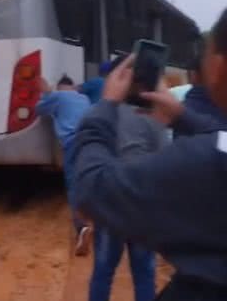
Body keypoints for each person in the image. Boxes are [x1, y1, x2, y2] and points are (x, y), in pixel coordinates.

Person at [71, 7, 227, 300]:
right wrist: (182, 116)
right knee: (143, 270)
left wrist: (103, 108)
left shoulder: (204, 160)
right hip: (141, 189)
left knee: (104, 268)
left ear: (218, 66)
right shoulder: (169, 126)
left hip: (128, 193)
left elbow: (90, 188)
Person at [87, 57, 166, 301]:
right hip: (142, 204)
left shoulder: (100, 113)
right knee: (144, 271)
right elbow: (163, 159)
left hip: (111, 202)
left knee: (103, 270)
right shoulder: (154, 116)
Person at [36, 74, 92, 256]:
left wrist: (46, 93)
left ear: (60, 87)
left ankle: (82, 227)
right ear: (73, 86)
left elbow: (39, 110)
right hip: (92, 142)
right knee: (91, 181)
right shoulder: (84, 98)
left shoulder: (58, 96)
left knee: (74, 186)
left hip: (72, 144)